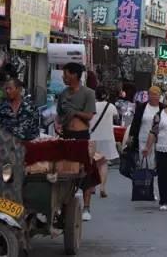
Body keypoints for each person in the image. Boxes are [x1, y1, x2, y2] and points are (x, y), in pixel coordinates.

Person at [82, 86, 119, 221]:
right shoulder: (111, 107)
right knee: (103, 163)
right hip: (107, 137)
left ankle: (92, 187)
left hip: (93, 137)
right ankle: (103, 186)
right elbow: (116, 117)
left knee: (92, 163)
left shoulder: (92, 106)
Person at [56, 63, 96, 140]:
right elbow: (59, 114)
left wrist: (74, 112)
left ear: (74, 75)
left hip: (81, 134)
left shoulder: (89, 93)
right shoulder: (62, 94)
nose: (63, 77)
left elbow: (89, 116)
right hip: (65, 133)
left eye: (65, 74)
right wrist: (57, 124)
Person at [129, 86, 165, 168]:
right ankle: (148, 179)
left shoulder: (163, 108)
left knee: (157, 163)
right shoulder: (142, 107)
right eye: (151, 94)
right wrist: (131, 136)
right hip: (143, 138)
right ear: (148, 95)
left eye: (156, 94)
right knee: (145, 163)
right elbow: (135, 123)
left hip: (159, 140)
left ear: (160, 96)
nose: (154, 96)